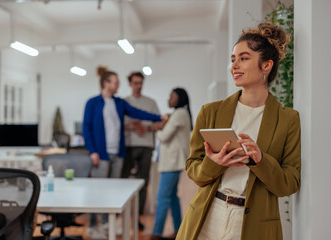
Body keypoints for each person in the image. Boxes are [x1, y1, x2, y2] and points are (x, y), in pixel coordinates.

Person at [176, 22, 301, 240]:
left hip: (254, 225)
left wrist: (261, 160)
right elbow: (192, 168)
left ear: (266, 66)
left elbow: (289, 183)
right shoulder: (210, 112)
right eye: (233, 59)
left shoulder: (288, 120)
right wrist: (214, 162)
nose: (234, 65)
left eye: (244, 58)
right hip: (208, 215)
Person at [83, 66, 165, 239]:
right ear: (106, 83)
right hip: (101, 154)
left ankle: (106, 225)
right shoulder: (93, 103)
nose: (118, 85)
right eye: (115, 82)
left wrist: (158, 117)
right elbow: (87, 129)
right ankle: (92, 226)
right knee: (97, 191)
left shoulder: (119, 103)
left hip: (118, 153)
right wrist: (92, 151)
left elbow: (137, 113)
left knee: (110, 191)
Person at [151, 88, 193, 240]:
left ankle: (156, 233)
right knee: (172, 197)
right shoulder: (179, 113)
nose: (168, 99)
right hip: (173, 162)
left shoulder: (180, 113)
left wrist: (157, 128)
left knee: (162, 197)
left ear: (179, 98)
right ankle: (178, 230)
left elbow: (165, 136)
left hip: (172, 162)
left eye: (171, 96)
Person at [122, 71, 161, 230]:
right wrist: (132, 126)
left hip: (146, 146)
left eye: (141, 83)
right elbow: (117, 126)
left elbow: (160, 123)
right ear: (130, 84)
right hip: (128, 146)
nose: (138, 86)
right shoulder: (124, 102)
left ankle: (137, 217)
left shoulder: (150, 102)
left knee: (143, 183)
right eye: (136, 83)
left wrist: (146, 127)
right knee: (123, 182)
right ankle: (122, 216)